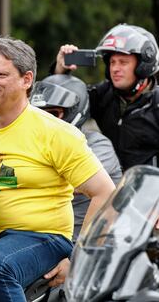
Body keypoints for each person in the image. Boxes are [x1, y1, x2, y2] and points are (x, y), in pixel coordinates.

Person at [0, 36, 116, 302]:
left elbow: (106, 194)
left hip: (43, 237)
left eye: (0, 74)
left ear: (27, 80)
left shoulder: (56, 132)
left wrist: (78, 260)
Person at [54, 23, 159, 171]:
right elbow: (64, 106)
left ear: (143, 66)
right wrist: (60, 71)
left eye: (123, 62)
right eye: (112, 62)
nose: (115, 68)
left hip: (147, 189)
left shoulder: (156, 104)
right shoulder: (104, 94)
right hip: (108, 186)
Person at [30, 74, 122, 240]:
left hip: (89, 242)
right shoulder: (31, 145)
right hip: (41, 238)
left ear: (75, 111)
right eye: (38, 115)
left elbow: (77, 181)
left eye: (52, 114)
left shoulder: (97, 144)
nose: (45, 121)